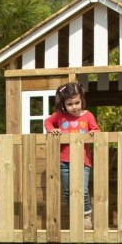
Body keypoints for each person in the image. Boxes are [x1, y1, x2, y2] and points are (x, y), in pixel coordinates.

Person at [43, 82, 101, 229]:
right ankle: (74, 215)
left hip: (83, 161)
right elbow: (48, 122)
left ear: (81, 100)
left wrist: (94, 133)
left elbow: (97, 130)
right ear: (63, 104)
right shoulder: (59, 116)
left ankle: (86, 216)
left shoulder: (88, 116)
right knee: (68, 191)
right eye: (70, 104)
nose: (74, 107)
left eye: (77, 103)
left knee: (83, 189)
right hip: (64, 161)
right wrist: (51, 130)